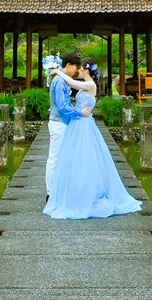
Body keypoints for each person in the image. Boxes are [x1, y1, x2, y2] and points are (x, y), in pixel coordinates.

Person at [43, 57, 141, 219]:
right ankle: (69, 192)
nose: (77, 71)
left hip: (83, 124)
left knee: (83, 159)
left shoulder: (90, 85)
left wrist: (56, 72)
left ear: (86, 70)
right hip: (76, 122)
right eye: (77, 67)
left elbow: (72, 84)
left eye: (80, 68)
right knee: (72, 159)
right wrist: (57, 73)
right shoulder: (77, 83)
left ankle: (82, 193)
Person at [45, 52, 89, 202]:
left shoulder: (62, 80)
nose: (76, 71)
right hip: (58, 123)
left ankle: (57, 190)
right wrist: (79, 112)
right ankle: (50, 193)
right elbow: (63, 106)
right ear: (69, 65)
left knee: (59, 158)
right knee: (54, 158)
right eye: (75, 67)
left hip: (62, 123)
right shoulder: (58, 81)